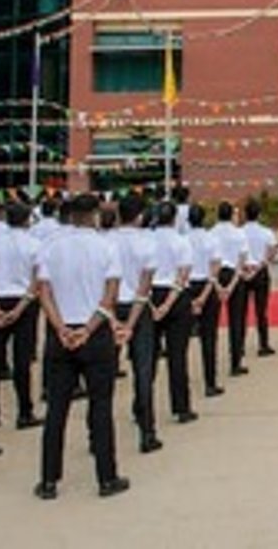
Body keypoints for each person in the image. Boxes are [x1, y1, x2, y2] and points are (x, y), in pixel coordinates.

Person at [34, 193, 129, 501]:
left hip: (61, 334)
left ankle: (48, 480)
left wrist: (61, 327)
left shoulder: (51, 247)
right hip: (95, 332)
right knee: (101, 407)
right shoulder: (106, 247)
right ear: (95, 215)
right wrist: (88, 329)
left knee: (56, 411)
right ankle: (106, 477)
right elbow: (110, 294)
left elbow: (43, 291)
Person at [0, 200, 44, 430]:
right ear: (28, 219)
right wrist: (21, 307)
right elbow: (36, 280)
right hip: (24, 300)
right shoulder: (34, 245)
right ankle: (24, 410)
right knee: (22, 360)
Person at [110, 194, 162, 454]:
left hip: (108, 308)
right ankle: (147, 431)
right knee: (143, 370)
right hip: (137, 308)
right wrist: (131, 322)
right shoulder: (147, 244)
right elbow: (144, 287)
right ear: (140, 216)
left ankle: (95, 435)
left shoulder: (105, 241)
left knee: (104, 372)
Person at [150, 203, 197, 425]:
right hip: (176, 296)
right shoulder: (181, 242)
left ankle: (141, 406)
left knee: (147, 357)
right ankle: (181, 406)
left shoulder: (146, 240)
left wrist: (152, 304)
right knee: (177, 356)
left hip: (150, 295)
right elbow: (182, 275)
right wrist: (169, 304)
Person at [182, 203, 224, 398]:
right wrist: (206, 295)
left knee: (181, 342)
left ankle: (182, 387)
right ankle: (210, 382)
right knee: (209, 338)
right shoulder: (211, 240)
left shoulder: (183, 239)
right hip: (206, 285)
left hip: (186, 287)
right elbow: (215, 269)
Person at [209, 201, 251, 376]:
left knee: (211, 323)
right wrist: (235, 281)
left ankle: (211, 366)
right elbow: (242, 259)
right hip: (235, 274)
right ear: (231, 215)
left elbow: (209, 260)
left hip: (216, 275)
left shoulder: (210, 233)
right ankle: (235, 361)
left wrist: (216, 283)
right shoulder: (239, 234)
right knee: (237, 320)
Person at [241, 200, 278, 357]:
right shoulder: (266, 232)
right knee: (261, 311)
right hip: (261, 271)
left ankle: (239, 345)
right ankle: (263, 345)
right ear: (259, 214)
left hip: (244, 271)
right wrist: (262, 263)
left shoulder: (239, 232)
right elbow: (272, 251)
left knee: (240, 312)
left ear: (245, 214)